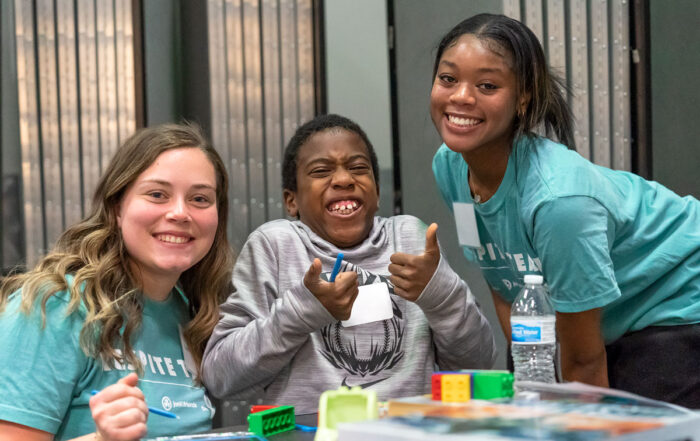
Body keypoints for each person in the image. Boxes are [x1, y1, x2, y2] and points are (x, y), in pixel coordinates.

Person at [430, 13, 700, 407]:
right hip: (604, 315)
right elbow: (503, 278)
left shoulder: (558, 202)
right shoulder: (450, 165)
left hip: (676, 297)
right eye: (448, 79)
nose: (461, 97)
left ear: (523, 96)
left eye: (487, 85)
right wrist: (532, 374)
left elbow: (585, 362)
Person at [201, 114, 496, 413]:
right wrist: (302, 312)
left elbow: (478, 364)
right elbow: (221, 377)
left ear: (377, 192)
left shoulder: (409, 238)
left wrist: (441, 295)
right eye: (321, 171)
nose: (344, 179)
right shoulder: (276, 245)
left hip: (410, 431)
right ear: (292, 201)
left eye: (358, 168)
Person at [0, 123, 234, 440]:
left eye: (200, 199)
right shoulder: (55, 305)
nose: (180, 213)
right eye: (157, 194)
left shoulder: (194, 312)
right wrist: (101, 439)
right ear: (117, 208)